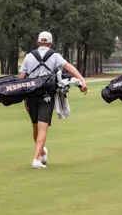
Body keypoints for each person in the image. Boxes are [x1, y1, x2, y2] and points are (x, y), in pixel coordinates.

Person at [19, 31, 88, 169]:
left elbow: (21, 79)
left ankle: (37, 158)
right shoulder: (55, 56)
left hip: (31, 96)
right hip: (47, 96)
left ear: (38, 42)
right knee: (41, 129)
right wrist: (81, 79)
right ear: (50, 44)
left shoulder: (28, 57)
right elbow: (69, 67)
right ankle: (41, 153)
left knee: (37, 128)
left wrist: (23, 98)